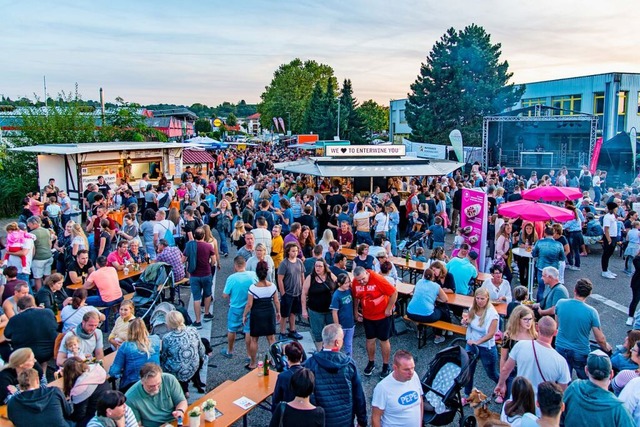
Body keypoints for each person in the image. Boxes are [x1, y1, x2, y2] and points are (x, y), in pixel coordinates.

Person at [304, 324, 367, 427]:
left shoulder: (311, 363)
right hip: (345, 420)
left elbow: (309, 395)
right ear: (337, 342)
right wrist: (362, 420)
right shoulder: (349, 364)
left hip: (321, 420)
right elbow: (358, 395)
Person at [495, 316, 571, 400]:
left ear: (537, 327)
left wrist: (501, 384)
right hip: (540, 406)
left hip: (517, 400)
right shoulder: (561, 362)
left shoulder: (520, 345)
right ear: (556, 332)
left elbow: (506, 369)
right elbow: (561, 390)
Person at [555, 278, 611, 379]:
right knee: (585, 379)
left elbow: (557, 325)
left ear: (575, 290)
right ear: (589, 293)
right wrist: (606, 347)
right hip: (580, 351)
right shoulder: (591, 312)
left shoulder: (560, 303)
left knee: (562, 378)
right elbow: (600, 339)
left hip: (561, 346)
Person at [562, 350, 634, 427]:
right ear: (611, 374)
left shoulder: (574, 388)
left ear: (586, 370)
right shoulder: (619, 409)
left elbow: (558, 417)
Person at [352, 266, 398, 378]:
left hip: (382, 316)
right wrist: (356, 312)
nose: (361, 282)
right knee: (370, 340)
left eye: (363, 279)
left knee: (384, 340)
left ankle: (385, 365)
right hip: (368, 316)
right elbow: (356, 297)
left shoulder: (377, 279)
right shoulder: (355, 282)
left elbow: (394, 293)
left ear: (367, 274)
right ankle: (371, 362)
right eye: (359, 280)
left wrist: (389, 308)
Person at [462, 287, 500, 402]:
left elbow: (491, 334)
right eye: (477, 298)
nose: (479, 301)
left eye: (482, 299)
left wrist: (477, 342)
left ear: (487, 298)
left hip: (486, 348)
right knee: (468, 371)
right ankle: (468, 395)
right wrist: (465, 322)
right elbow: (469, 321)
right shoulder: (473, 308)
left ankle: (502, 390)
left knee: (491, 373)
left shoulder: (492, 314)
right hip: (472, 344)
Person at [243, 260, 281, 369]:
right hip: (269, 312)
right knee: (271, 338)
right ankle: (274, 361)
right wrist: (278, 312)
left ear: (257, 273)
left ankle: (253, 363)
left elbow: (249, 304)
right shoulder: (272, 286)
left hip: (257, 314)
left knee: (254, 339)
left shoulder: (253, 288)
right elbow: (276, 301)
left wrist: (244, 315)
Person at [125, 363, 188, 427]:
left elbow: (181, 401)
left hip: (174, 421)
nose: (156, 388)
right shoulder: (130, 398)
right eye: (151, 386)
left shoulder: (169, 379)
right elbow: (137, 425)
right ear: (142, 381)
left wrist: (180, 411)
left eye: (158, 384)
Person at [4, 295, 58, 370]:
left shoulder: (14, 320)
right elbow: (56, 327)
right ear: (33, 305)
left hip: (27, 355)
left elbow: (7, 337)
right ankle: (43, 376)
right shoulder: (48, 312)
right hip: (49, 351)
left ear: (19, 308)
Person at [371, 350, 423, 427]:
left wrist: (420, 423)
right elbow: (375, 418)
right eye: (406, 369)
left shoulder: (414, 376)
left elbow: (420, 400)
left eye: (413, 368)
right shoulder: (383, 388)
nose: (411, 372)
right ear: (395, 367)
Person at [160, 311, 205, 397]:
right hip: (193, 365)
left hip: (177, 370)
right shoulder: (193, 330)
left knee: (167, 363)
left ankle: (180, 391)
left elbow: (164, 356)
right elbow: (201, 349)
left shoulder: (167, 338)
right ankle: (187, 388)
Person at [109, 318, 161, 393]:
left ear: (129, 331)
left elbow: (114, 372)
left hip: (133, 384)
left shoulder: (126, 346)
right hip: (155, 380)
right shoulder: (156, 340)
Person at [7, 368, 72, 427]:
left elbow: (13, 420)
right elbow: (68, 412)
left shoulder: (12, 402)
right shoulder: (54, 391)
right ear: (37, 380)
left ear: (20, 385)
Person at [221, 256, 258, 358]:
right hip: (250, 306)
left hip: (235, 307)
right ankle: (249, 355)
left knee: (232, 329)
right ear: (245, 264)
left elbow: (225, 294)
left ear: (235, 266)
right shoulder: (253, 275)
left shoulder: (232, 278)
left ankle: (230, 350)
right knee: (248, 331)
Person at [499, 306, 537, 402]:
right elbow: (503, 358)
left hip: (529, 371)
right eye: (525, 319)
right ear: (517, 320)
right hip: (513, 371)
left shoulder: (535, 336)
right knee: (510, 400)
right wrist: (502, 382)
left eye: (530, 319)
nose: (529, 322)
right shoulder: (508, 336)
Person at [62, 357, 111, 427]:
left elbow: (79, 415)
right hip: (109, 406)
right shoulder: (97, 370)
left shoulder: (80, 389)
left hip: (97, 416)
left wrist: (68, 417)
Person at [406, 268, 451, 344]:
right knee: (442, 309)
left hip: (410, 313)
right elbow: (445, 299)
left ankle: (420, 332)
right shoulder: (436, 286)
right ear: (433, 277)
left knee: (420, 309)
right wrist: (435, 298)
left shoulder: (419, 282)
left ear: (423, 275)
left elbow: (414, 292)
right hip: (427, 316)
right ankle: (438, 336)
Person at [183, 228, 215, 328]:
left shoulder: (189, 245)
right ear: (204, 236)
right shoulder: (208, 246)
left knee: (196, 297)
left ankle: (197, 320)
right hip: (206, 273)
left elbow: (183, 259)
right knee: (207, 294)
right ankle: (206, 313)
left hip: (194, 275)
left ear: (194, 236)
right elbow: (213, 261)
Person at [302, 259, 336, 351]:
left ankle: (331, 353)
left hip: (330, 310)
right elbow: (304, 293)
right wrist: (304, 310)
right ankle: (320, 353)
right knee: (318, 334)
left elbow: (339, 285)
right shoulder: (310, 277)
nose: (318, 268)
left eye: (320, 266)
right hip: (315, 311)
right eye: (316, 266)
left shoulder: (330, 275)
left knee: (332, 333)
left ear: (325, 267)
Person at [277, 242, 305, 340]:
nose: (295, 253)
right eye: (293, 251)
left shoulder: (299, 262)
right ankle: (282, 332)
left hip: (297, 292)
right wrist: (283, 293)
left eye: (296, 251)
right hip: (287, 293)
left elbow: (302, 276)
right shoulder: (284, 264)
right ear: (288, 252)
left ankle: (292, 330)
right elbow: (280, 279)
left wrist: (303, 290)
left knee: (293, 313)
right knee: (284, 314)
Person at [531, 227, 565, 302]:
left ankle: (539, 305)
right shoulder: (559, 244)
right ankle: (550, 304)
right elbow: (562, 258)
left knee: (541, 288)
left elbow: (534, 254)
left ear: (545, 233)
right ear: (553, 234)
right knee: (552, 288)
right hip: (553, 269)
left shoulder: (539, 242)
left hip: (541, 268)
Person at [272, 341, 305, 411]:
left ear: (287, 358)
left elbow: (276, 399)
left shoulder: (282, 376)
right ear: (301, 357)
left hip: (288, 411)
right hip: (305, 410)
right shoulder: (309, 374)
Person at [330, 273, 355, 357]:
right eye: (345, 283)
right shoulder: (336, 295)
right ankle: (335, 360)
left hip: (350, 323)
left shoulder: (349, 290)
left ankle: (349, 361)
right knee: (337, 345)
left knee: (349, 344)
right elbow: (334, 312)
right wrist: (337, 326)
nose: (348, 284)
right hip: (342, 325)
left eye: (348, 282)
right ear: (339, 284)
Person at [602, 201, 620, 279]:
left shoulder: (613, 216)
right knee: (606, 254)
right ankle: (604, 271)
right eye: (616, 208)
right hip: (609, 237)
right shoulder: (607, 217)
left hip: (614, 236)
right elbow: (606, 229)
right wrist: (609, 239)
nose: (617, 209)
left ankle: (606, 269)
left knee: (609, 254)